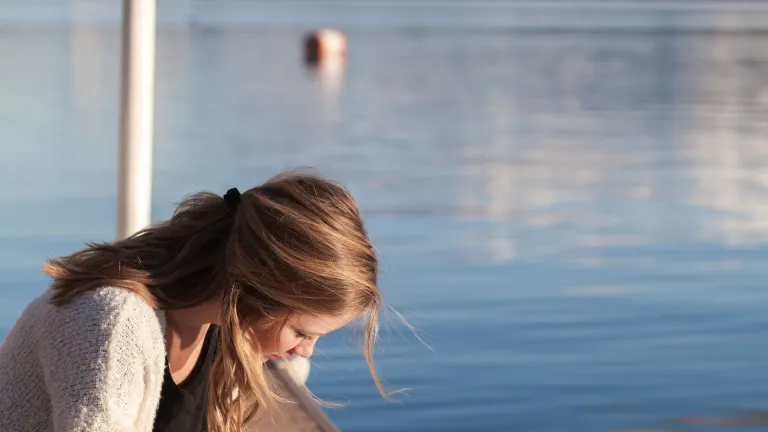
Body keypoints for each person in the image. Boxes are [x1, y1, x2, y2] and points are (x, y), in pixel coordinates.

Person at [0, 171, 386, 432]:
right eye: (302, 332)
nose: (305, 351)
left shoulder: (219, 327)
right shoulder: (112, 323)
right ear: (258, 288)